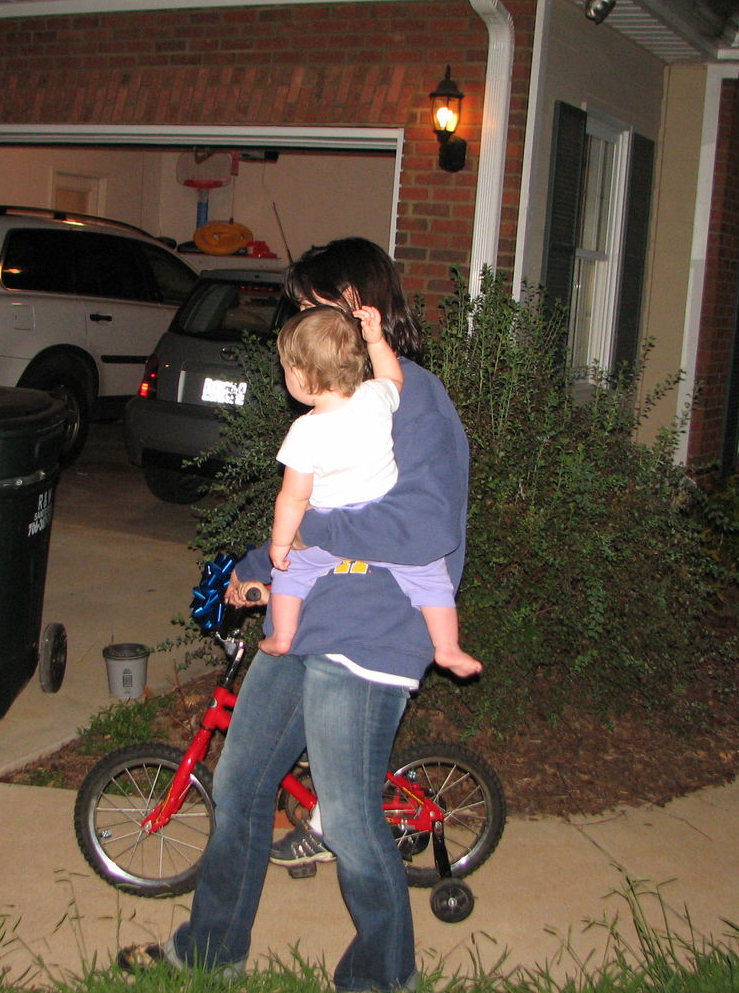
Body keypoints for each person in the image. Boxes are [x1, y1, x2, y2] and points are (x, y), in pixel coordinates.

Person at [117, 238, 471, 992]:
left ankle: (381, 979)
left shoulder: (412, 400)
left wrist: (312, 536)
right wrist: (255, 571)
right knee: (242, 784)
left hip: (373, 629)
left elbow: (426, 527)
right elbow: (314, 502)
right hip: (307, 622)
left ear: (351, 304)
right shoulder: (336, 408)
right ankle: (211, 951)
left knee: (345, 818)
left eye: (305, 307)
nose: (294, 326)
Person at [262, 302, 481, 681]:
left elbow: (294, 497)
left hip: (329, 529)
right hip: (380, 525)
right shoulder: (374, 398)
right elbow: (394, 378)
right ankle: (448, 648)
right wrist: (377, 340)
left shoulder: (305, 431)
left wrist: (281, 545)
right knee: (431, 580)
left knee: (291, 576)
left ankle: (283, 636)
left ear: (298, 375)